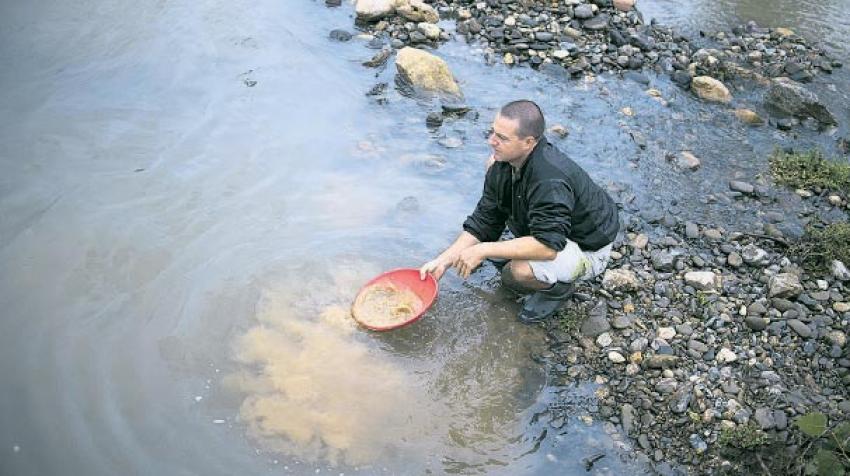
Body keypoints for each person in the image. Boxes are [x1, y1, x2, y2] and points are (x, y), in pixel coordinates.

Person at [419, 100, 620, 323]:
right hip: (555, 230)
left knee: (518, 271)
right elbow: (486, 218)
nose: (491, 141)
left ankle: (557, 290)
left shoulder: (549, 181)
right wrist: (444, 260)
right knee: (491, 170)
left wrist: (483, 250)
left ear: (529, 142)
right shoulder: (503, 162)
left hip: (588, 247)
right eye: (493, 132)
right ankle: (519, 255)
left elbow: (548, 247)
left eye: (502, 138)